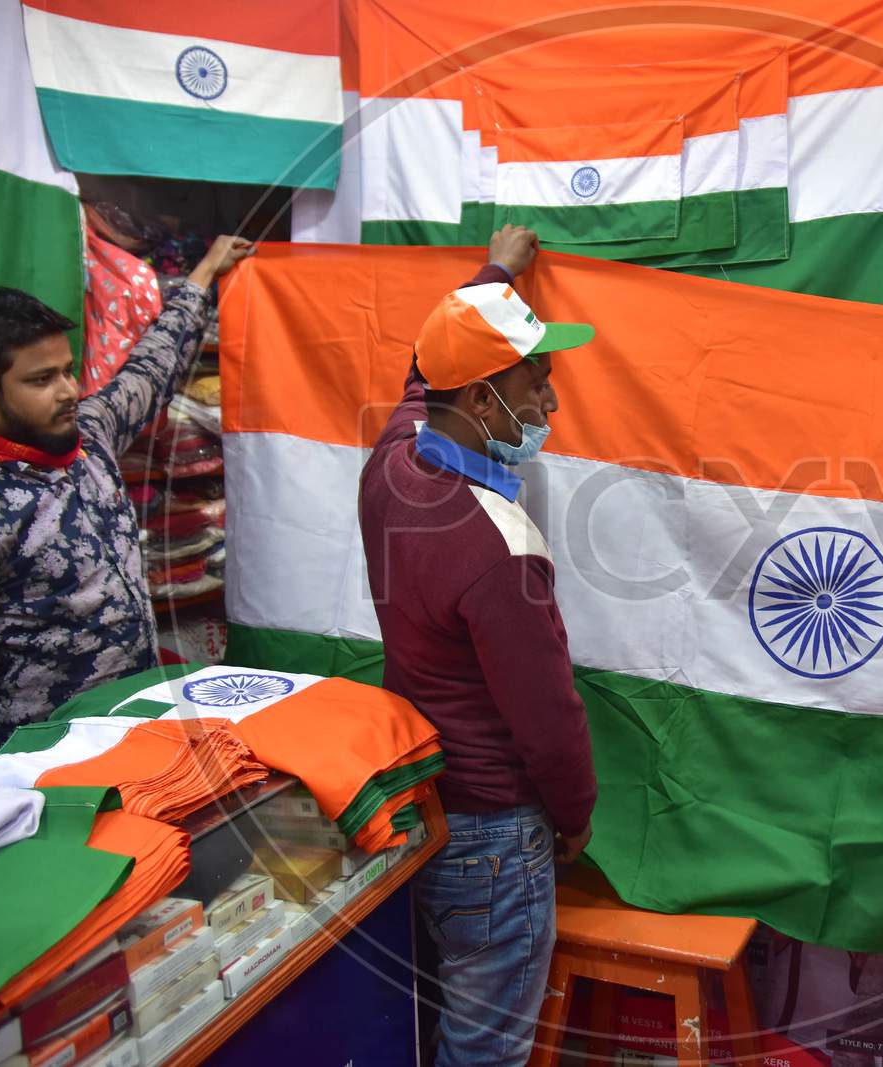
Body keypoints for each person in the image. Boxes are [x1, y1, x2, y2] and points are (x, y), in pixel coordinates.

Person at [358, 225, 597, 1067]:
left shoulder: (391, 462)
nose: (551, 406)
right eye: (538, 384)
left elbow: (425, 367)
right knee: (485, 1045)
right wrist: (574, 816)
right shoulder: (498, 545)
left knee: (439, 1017)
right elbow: (548, 716)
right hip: (496, 833)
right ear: (486, 400)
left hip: (426, 807)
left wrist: (497, 273)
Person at [0, 235, 254, 757]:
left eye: (67, 370)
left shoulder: (90, 437)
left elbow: (151, 370)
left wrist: (205, 273)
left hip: (134, 729)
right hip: (43, 760)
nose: (68, 390)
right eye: (42, 379)